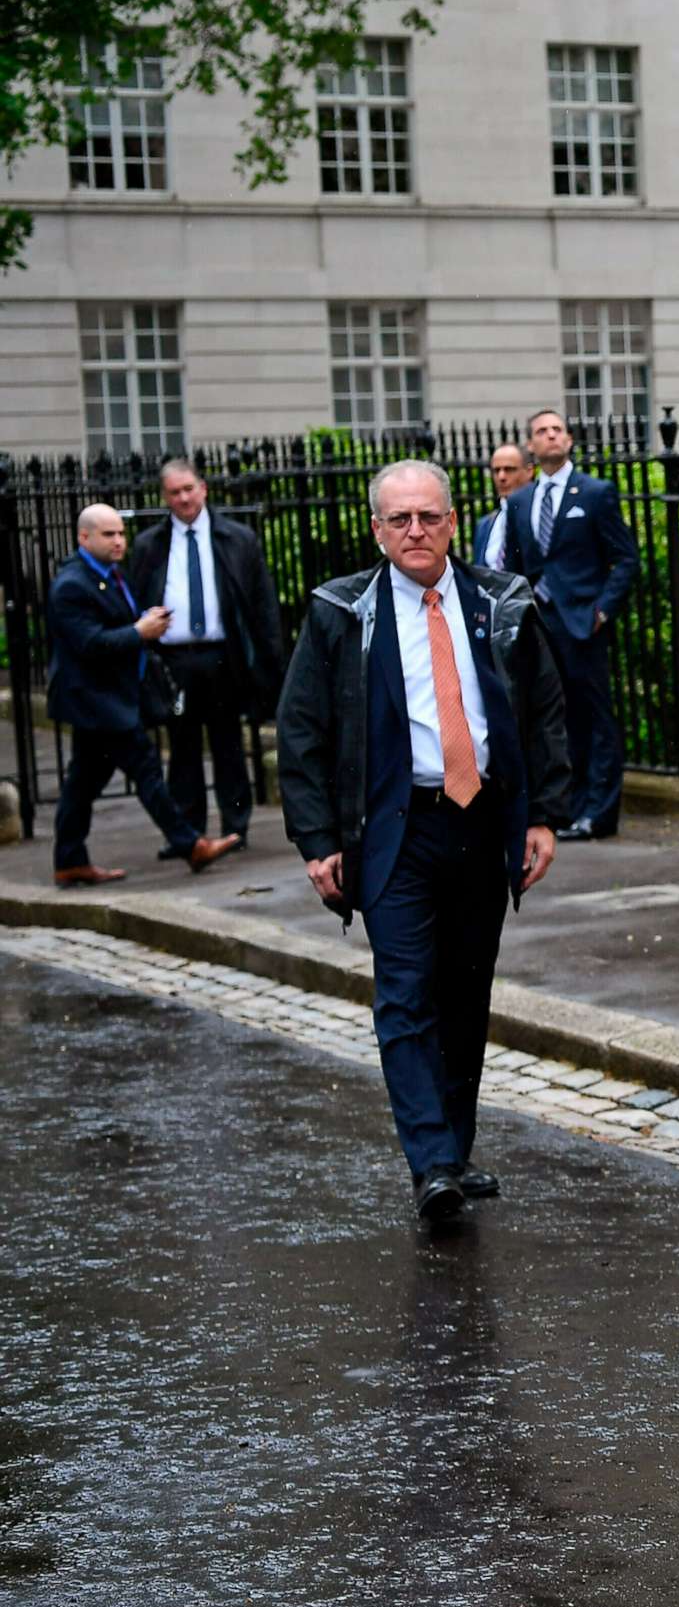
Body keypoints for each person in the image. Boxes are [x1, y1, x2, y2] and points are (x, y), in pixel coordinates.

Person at [275, 460, 572, 1223]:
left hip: (481, 821)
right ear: (377, 529)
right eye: (400, 519)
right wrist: (316, 839)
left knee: (466, 994)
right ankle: (431, 1161)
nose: (416, 531)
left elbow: (542, 712)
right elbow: (303, 732)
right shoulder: (342, 612)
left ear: (451, 521)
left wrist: (543, 815)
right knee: (405, 994)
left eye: (429, 517)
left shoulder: (502, 602)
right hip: (394, 828)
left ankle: (455, 1147)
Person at [46, 504, 243, 886]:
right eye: (109, 534)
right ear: (83, 537)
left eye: (121, 533)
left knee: (82, 782)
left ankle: (69, 859)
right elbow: (88, 643)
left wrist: (141, 624)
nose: (119, 541)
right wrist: (140, 631)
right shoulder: (73, 584)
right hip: (97, 701)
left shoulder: (108, 575)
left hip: (110, 698)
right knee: (146, 769)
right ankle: (190, 844)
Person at [126, 459, 284, 849]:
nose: (183, 498)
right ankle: (188, 832)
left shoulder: (237, 538)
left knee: (228, 741)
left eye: (188, 489)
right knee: (181, 747)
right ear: (165, 497)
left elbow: (261, 605)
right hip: (173, 658)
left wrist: (270, 662)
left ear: (204, 488)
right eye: (174, 492)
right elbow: (135, 598)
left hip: (222, 654)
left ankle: (236, 827)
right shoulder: (150, 544)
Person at [500, 408, 636, 841]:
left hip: (583, 624)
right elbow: (517, 566)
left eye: (558, 430)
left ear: (570, 440)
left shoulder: (595, 492)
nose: (551, 436)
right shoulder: (521, 502)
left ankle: (600, 812)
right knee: (556, 719)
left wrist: (601, 610)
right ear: (532, 446)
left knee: (595, 720)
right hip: (541, 625)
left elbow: (626, 559)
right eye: (542, 431)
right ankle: (569, 808)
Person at [473, 442, 534, 572]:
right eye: (496, 470)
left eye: (509, 469)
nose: (501, 477)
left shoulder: (538, 518)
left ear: (529, 471)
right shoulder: (484, 525)